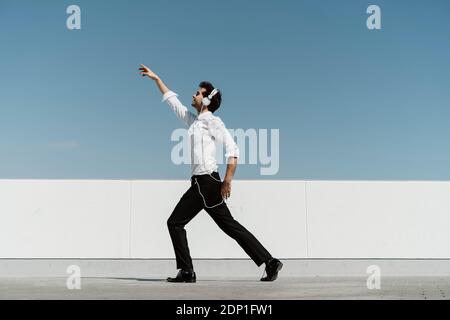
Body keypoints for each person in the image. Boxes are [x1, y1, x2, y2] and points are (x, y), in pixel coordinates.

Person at [139, 64, 283, 282]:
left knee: (177, 223)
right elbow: (173, 102)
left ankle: (188, 272)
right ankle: (270, 262)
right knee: (226, 226)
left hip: (207, 183)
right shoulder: (194, 122)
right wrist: (156, 79)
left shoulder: (213, 122)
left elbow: (233, 150)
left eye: (197, 93)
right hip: (200, 185)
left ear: (206, 100)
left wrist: (227, 181)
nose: (193, 94)